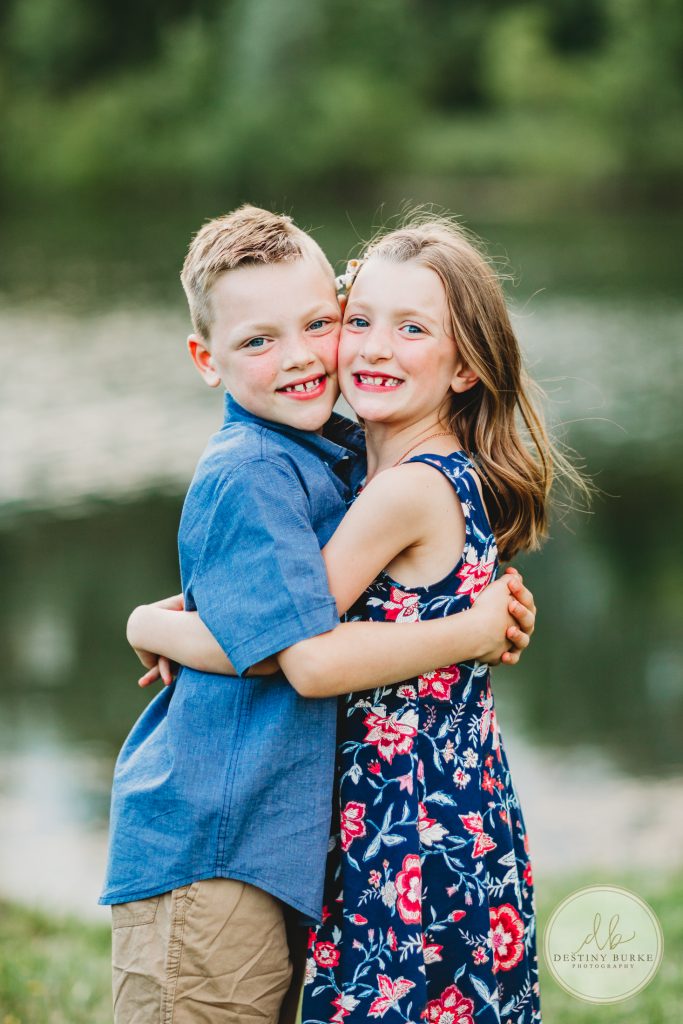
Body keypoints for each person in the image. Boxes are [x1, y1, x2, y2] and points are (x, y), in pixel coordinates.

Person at [102, 205, 536, 1024]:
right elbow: (294, 638)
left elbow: (296, 649)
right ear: (208, 358)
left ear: (464, 366)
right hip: (236, 834)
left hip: (393, 824)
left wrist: (149, 625)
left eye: (319, 324)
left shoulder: (364, 472)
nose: (352, 348)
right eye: (360, 320)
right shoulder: (285, 469)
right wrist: (154, 620)